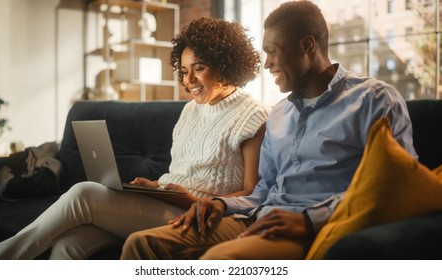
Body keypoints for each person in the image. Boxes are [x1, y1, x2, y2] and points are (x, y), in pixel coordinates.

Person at [120, 1, 417, 260]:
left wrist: (309, 220)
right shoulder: (279, 114)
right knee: (141, 244)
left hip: (316, 228)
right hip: (258, 219)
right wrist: (219, 204)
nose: (266, 63)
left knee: (221, 261)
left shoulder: (373, 99)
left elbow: (396, 182)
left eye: (273, 52)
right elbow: (263, 191)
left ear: (307, 47)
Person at [0, 17, 269, 260]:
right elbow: (183, 173)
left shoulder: (251, 115)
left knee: (83, 194)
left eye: (199, 68)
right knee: (71, 242)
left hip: (199, 215)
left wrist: (193, 199)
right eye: (183, 71)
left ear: (225, 64)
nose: (188, 80)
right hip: (169, 202)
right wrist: (153, 186)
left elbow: (251, 192)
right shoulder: (190, 112)